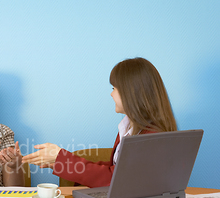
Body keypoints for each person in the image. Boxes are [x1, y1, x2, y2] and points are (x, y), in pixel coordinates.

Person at [22, 57, 178, 187]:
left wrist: (63, 160)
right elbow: (114, 170)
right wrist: (61, 162)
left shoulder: (151, 138)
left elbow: (116, 181)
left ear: (131, 93)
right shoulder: (130, 127)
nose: (111, 94)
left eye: (114, 88)